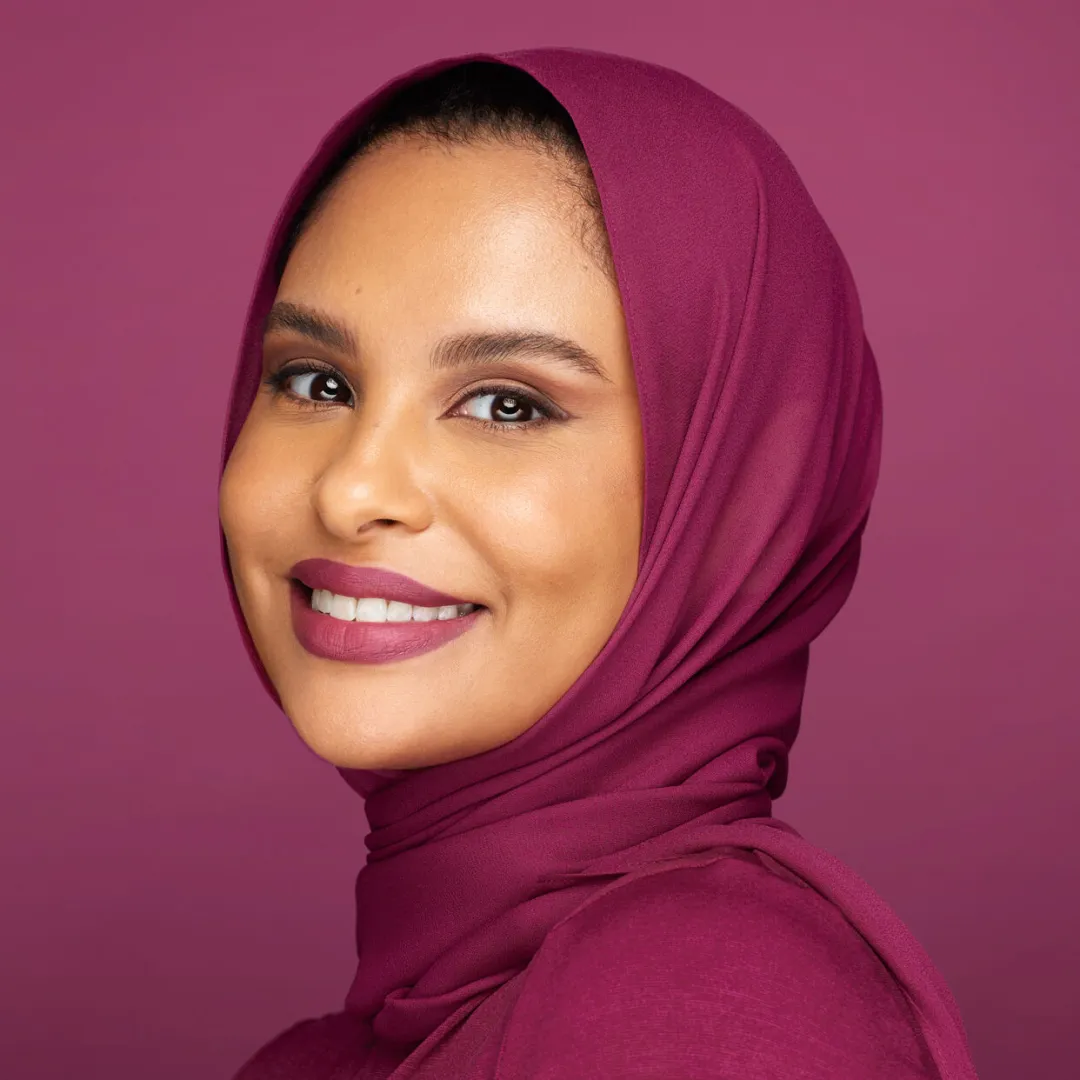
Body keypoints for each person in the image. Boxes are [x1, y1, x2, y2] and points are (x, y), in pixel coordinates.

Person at [218, 49, 979, 1079]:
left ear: (733, 494)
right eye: (315, 382)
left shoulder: (704, 1010)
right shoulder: (363, 1046)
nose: (352, 491)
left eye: (507, 404)